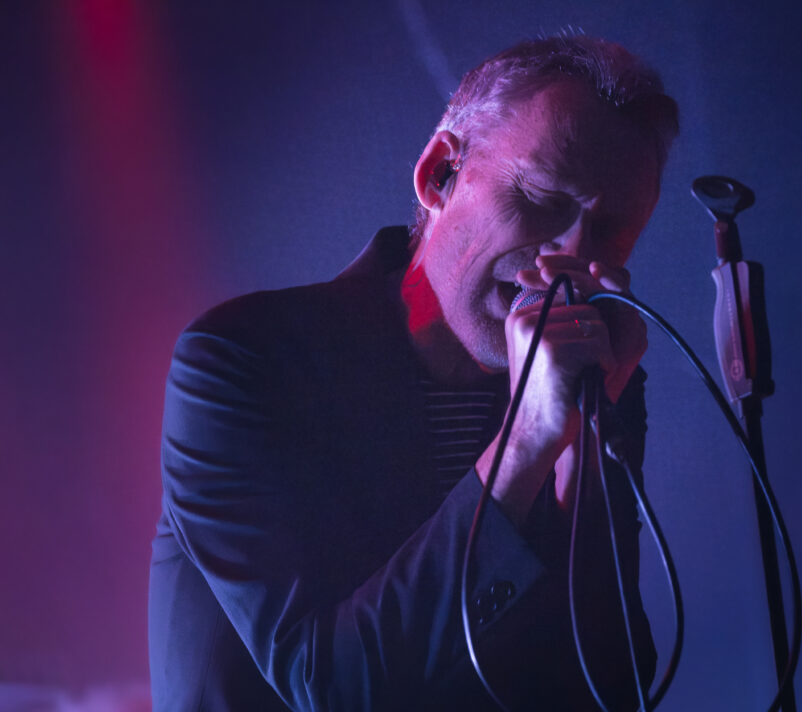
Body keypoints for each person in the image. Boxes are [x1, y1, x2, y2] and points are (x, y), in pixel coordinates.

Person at [149, 35, 678, 711]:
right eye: (544, 198)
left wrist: (583, 450)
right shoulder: (243, 360)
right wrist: (527, 442)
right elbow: (332, 687)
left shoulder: (582, 381)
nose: (566, 258)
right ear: (439, 174)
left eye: (609, 234)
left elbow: (615, 689)